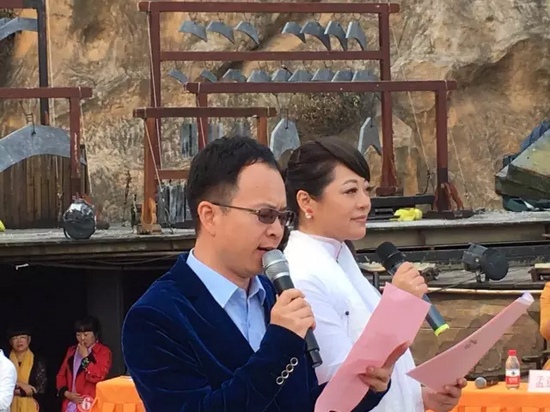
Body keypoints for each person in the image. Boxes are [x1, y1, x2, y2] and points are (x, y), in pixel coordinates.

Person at [122, 135, 398, 412]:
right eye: (265, 215)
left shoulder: (272, 294)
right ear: (209, 216)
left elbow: (301, 406)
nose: (276, 230)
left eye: (283, 217)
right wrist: (280, 346)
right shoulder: (156, 316)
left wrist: (364, 387)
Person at [282, 137, 467, 412]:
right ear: (306, 201)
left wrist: (423, 396)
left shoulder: (340, 256)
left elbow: (381, 367)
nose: (364, 203)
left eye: (366, 190)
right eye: (350, 191)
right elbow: (340, 385)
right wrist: (399, 305)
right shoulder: (302, 274)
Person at [56, 316, 112, 412]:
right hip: (70, 403)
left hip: (90, 403)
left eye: (86, 335)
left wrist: (86, 357)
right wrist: (66, 393)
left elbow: (99, 376)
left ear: (95, 334)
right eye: (78, 335)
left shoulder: (103, 352)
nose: (82, 338)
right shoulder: (71, 351)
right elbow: (61, 375)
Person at [7, 327, 47, 411]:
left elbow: (41, 388)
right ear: (10, 342)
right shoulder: (4, 361)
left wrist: (19, 392)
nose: (19, 341)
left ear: (29, 339)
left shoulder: (37, 360)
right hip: (7, 405)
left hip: (31, 406)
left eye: (22, 337)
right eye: (15, 338)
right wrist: (19, 384)